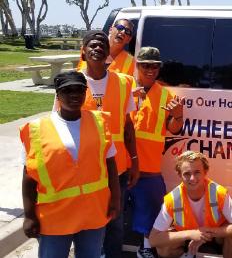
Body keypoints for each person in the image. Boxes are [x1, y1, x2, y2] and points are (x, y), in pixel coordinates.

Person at [20, 71, 120, 258]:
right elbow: (28, 177)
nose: (74, 95)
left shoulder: (99, 123)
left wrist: (115, 199)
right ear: (58, 95)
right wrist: (29, 215)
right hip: (55, 218)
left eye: (79, 90)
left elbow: (111, 165)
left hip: (92, 214)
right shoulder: (36, 130)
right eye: (68, 90)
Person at [80, 30, 139, 258]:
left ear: (108, 54)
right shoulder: (72, 82)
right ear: (83, 51)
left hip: (118, 169)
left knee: (115, 222)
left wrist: (134, 161)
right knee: (87, 221)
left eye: (102, 45)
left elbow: (127, 127)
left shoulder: (124, 83)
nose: (97, 48)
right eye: (92, 45)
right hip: (85, 169)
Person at [129, 46, 185, 258]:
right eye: (145, 65)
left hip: (149, 166)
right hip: (122, 163)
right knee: (113, 211)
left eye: (154, 66)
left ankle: (145, 247)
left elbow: (173, 129)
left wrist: (178, 115)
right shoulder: (126, 89)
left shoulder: (166, 95)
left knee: (151, 209)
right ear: (138, 66)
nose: (150, 70)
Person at [150, 151, 232, 258]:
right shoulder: (172, 199)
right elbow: (154, 240)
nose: (192, 178)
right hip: (187, 238)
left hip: (216, 235)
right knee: (163, 248)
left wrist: (205, 233)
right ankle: (185, 255)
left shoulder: (218, 192)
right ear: (179, 175)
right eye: (187, 174)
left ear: (205, 172)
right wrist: (190, 234)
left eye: (197, 172)